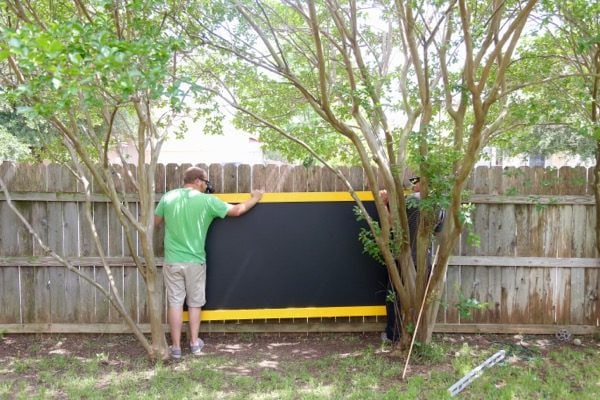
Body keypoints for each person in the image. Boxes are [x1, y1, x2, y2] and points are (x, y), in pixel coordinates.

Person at [154, 166, 263, 359]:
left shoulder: (168, 197)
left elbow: (155, 222)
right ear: (197, 181)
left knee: (175, 303)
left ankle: (176, 348)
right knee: (195, 304)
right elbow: (237, 211)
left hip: (172, 261)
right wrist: (255, 197)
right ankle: (195, 344)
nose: (206, 186)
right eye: (205, 182)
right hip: (195, 261)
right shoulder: (207, 201)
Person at [380, 176, 444, 343]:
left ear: (422, 184)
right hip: (424, 261)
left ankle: (393, 335)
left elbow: (392, 223)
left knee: (395, 294)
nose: (413, 186)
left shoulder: (412, 201)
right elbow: (437, 231)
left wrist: (383, 203)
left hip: (405, 258)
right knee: (420, 298)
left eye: (415, 183)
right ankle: (419, 335)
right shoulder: (439, 205)